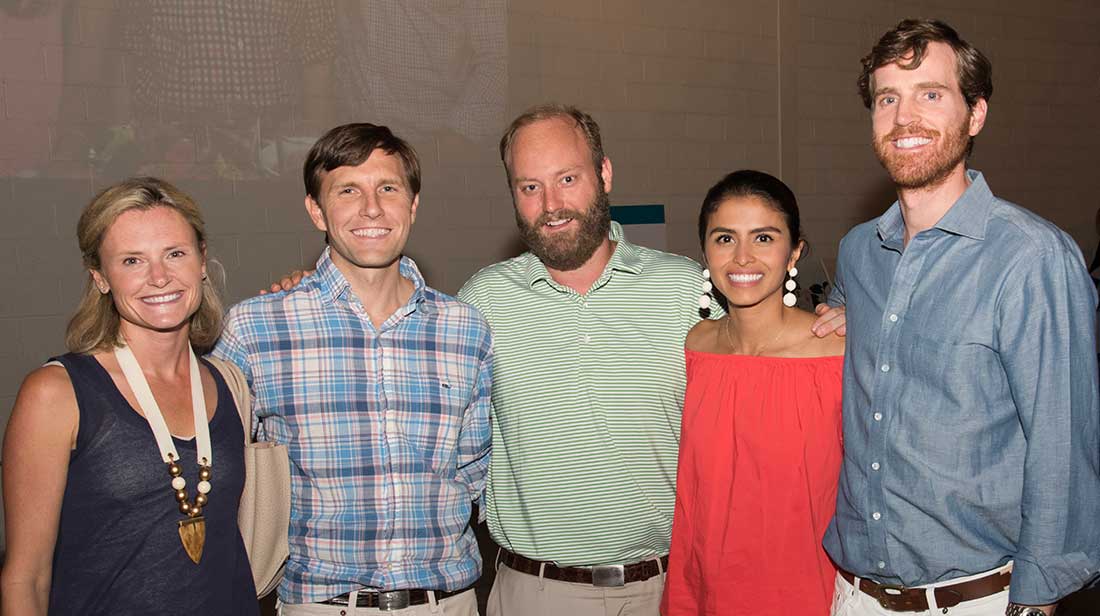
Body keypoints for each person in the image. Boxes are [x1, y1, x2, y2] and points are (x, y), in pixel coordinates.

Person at [455, 105, 846, 616]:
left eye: (568, 178)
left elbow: (767, 363)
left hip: (668, 587)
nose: (551, 203)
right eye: (529, 187)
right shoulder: (482, 303)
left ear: (604, 174)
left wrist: (849, 322)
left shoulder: (687, 291)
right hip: (536, 590)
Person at [824, 19, 1100, 616]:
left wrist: (1037, 599)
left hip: (977, 599)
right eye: (887, 99)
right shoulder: (857, 252)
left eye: (931, 94)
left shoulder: (1031, 258)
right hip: (854, 594)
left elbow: (1063, 445)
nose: (904, 118)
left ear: (975, 114)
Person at [212, 123, 493, 615]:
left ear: (413, 203)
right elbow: (223, 475)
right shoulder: (256, 329)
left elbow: (472, 475)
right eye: (348, 190)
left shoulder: (463, 329)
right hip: (322, 605)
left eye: (388, 187)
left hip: (448, 604)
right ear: (316, 210)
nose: (372, 208)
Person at [1, 177, 258, 615]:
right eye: (132, 260)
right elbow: (27, 577)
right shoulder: (57, 394)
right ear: (100, 277)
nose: (159, 277)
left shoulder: (227, 383)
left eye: (175, 253)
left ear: (201, 260)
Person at [660, 170, 845, 616]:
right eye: (725, 239)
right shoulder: (696, 345)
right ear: (704, 250)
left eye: (763, 239)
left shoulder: (838, 350)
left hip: (807, 595)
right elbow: (696, 497)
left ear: (794, 251)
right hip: (706, 590)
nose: (742, 258)